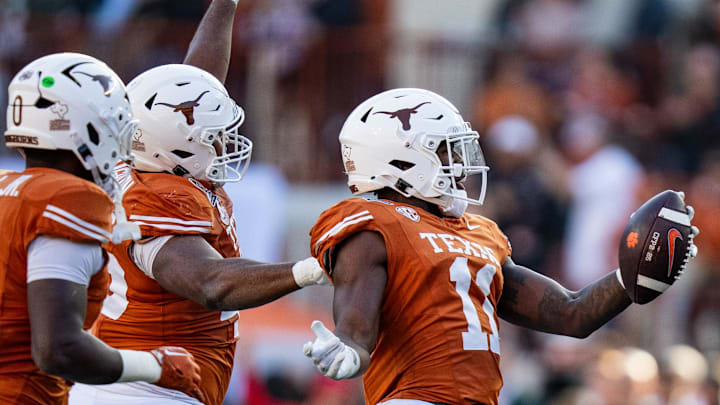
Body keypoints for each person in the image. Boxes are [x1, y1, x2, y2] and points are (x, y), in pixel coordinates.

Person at [301, 88, 699, 405]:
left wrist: (637, 275)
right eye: (444, 151)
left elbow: (570, 314)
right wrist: (349, 348)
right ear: (401, 162)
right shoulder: (374, 224)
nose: (459, 164)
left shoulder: (479, 233)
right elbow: (356, 323)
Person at [69, 61, 328, 405]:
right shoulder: (158, 198)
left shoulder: (151, 163)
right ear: (177, 146)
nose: (225, 142)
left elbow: (192, 76)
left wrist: (225, 6)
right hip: (145, 392)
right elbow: (210, 282)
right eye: (215, 136)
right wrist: (312, 269)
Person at [0, 52, 204, 405]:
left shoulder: (6, 187)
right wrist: (155, 365)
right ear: (88, 127)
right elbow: (57, 349)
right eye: (116, 124)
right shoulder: (67, 199)